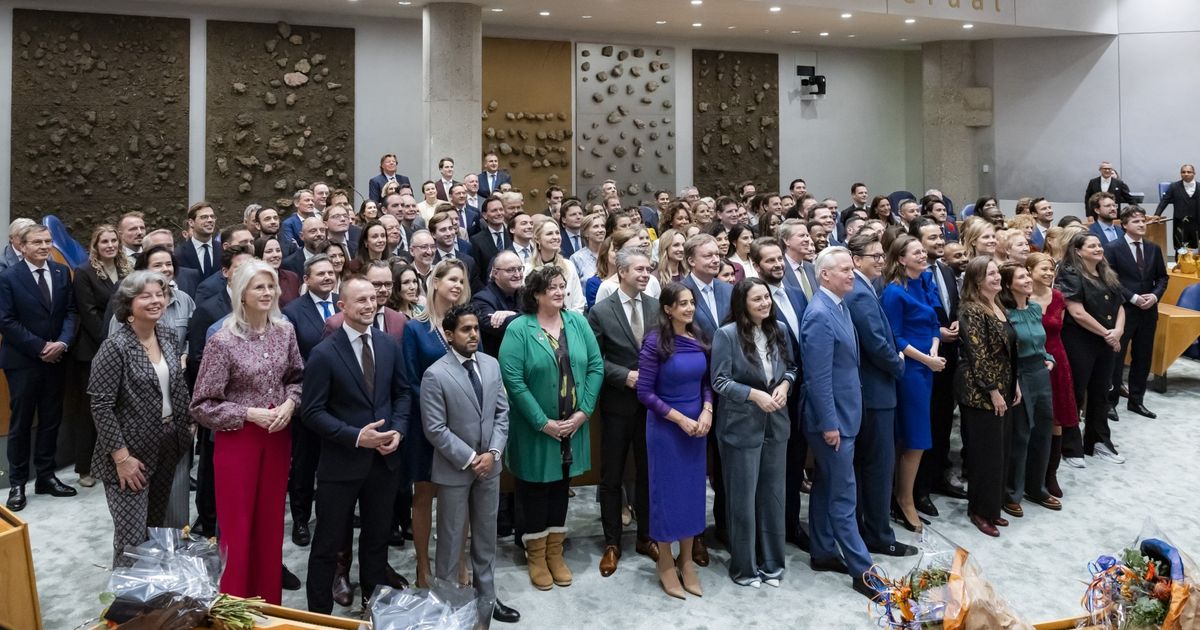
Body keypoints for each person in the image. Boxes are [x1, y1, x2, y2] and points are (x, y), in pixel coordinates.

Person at [190, 260, 304, 603]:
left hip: (278, 437)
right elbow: (202, 405)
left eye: (271, 286)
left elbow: (296, 378)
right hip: (238, 441)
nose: (268, 293)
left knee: (270, 525)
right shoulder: (222, 341)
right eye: (259, 287)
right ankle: (236, 606)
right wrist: (248, 413)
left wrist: (290, 403)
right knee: (238, 529)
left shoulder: (285, 331)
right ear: (241, 293)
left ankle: (269, 605)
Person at [301, 275, 410, 613]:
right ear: (342, 306)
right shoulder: (324, 353)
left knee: (377, 541)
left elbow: (402, 394)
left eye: (372, 298)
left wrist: (398, 431)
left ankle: (372, 606)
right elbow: (312, 412)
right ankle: (320, 616)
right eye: (361, 300)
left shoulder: (388, 344)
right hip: (341, 464)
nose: (369, 305)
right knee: (327, 544)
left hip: (383, 462)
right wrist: (357, 436)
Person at [498, 265, 603, 591]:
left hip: (573, 427)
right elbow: (513, 380)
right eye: (552, 288)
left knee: (561, 488)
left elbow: (596, 366)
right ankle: (535, 555)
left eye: (561, 286)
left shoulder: (577, 322)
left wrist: (584, 412)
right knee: (534, 491)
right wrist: (542, 422)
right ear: (536, 294)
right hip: (535, 429)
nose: (559, 292)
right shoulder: (520, 328)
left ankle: (555, 553)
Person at [420, 304, 521, 624]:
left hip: (490, 467)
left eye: (476, 328)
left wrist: (493, 453)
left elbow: (502, 413)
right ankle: (449, 610)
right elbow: (435, 428)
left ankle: (487, 600)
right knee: (450, 543)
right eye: (466, 329)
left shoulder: (491, 365)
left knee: (486, 539)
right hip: (455, 469)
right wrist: (470, 458)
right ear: (449, 335)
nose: (474, 334)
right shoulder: (435, 374)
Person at [88, 271, 193, 566]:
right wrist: (122, 459)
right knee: (131, 539)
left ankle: (151, 591)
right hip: (129, 454)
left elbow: (177, 385)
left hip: (167, 443)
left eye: (160, 294)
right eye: (146, 296)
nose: (156, 300)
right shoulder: (115, 346)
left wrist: (188, 424)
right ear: (128, 303)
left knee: (154, 527)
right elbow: (101, 406)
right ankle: (127, 594)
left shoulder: (167, 335)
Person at [800, 247, 877, 599]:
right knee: (844, 495)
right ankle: (863, 570)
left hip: (846, 413)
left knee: (827, 484)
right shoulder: (819, 313)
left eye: (851, 268)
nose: (851, 274)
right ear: (824, 275)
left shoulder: (839, 305)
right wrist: (829, 424)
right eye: (844, 269)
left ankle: (822, 550)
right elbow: (817, 378)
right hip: (831, 421)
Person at [710, 278, 796, 589]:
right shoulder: (727, 334)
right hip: (741, 426)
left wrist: (785, 385)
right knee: (743, 501)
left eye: (767, 297)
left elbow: (791, 368)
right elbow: (719, 381)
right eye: (757, 299)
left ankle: (772, 565)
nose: (764, 303)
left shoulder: (779, 329)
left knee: (773, 497)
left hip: (776, 423)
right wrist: (754, 395)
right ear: (742, 304)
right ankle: (744, 568)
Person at [635, 281, 710, 599]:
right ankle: (665, 561)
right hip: (667, 429)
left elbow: (706, 382)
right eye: (682, 304)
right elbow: (644, 392)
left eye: (691, 302)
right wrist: (680, 419)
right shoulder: (655, 341)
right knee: (666, 496)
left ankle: (687, 560)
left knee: (692, 495)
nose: (689, 308)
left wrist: (707, 410)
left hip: (697, 428)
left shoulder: (699, 336)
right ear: (668, 309)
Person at [844, 234, 915, 556]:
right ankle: (878, 534)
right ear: (856, 260)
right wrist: (899, 365)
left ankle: (868, 528)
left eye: (881, 255)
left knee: (870, 466)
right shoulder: (860, 293)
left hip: (873, 391)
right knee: (877, 467)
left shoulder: (866, 288)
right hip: (874, 393)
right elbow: (876, 343)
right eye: (874, 256)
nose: (880, 261)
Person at [588, 249, 658, 577]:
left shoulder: (656, 306)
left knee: (648, 473)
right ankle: (612, 543)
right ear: (622, 273)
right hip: (617, 404)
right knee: (612, 476)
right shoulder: (601, 311)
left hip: (652, 406)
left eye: (648, 269)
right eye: (639, 269)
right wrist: (624, 375)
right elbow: (594, 358)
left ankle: (646, 537)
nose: (645, 274)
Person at [402, 259, 471, 587]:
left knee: (459, 497)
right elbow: (410, 379)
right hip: (427, 426)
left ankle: (458, 561)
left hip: (463, 425)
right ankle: (423, 566)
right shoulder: (416, 328)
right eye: (452, 279)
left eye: (462, 281)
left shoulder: (467, 324)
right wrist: (439, 410)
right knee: (424, 495)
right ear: (435, 282)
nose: (457, 285)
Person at [0, 224, 78, 511]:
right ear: (22, 246)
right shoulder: (8, 277)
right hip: (23, 361)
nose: (45, 246)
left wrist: (62, 343)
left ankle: (46, 476)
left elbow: (71, 311)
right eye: (37, 242)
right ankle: (18, 483)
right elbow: (6, 320)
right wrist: (41, 347)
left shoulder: (61, 272)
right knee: (21, 423)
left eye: (47, 241)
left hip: (57, 359)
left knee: (51, 419)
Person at [880, 235, 944, 532]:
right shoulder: (894, 292)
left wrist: (934, 348)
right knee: (915, 439)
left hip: (928, 364)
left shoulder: (924, 282)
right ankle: (903, 499)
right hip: (910, 370)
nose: (922, 255)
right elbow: (894, 337)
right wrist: (926, 359)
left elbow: (934, 323)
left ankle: (904, 495)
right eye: (916, 252)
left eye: (922, 251)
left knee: (916, 437)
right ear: (901, 259)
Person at [956, 256, 1018, 538]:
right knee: (985, 455)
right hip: (981, 393)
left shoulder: (997, 305)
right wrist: (993, 391)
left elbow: (1008, 351)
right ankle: (979, 511)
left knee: (1000, 452)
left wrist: (1014, 385)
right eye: (990, 274)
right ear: (977, 280)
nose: (997, 277)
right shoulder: (971, 310)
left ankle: (992, 507)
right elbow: (978, 356)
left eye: (997, 272)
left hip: (1004, 387)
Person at [281, 254, 339, 550]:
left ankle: (335, 513)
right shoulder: (292, 312)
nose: (328, 277)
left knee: (336, 462)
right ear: (306, 279)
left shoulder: (343, 303)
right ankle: (301, 519)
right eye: (321, 274)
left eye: (331, 272)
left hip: (342, 398)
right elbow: (291, 358)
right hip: (308, 399)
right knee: (305, 464)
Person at [997, 262, 1061, 517]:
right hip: (1020, 373)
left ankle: (1037, 487)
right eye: (1021, 277)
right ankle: (1012, 491)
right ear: (1008, 284)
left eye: (1027, 275)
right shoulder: (1005, 313)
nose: (1027, 280)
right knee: (1021, 434)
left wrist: (1049, 357)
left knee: (1044, 430)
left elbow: (1040, 341)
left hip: (1040, 373)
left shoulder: (1034, 308)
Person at [71, 225, 132, 488]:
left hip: (123, 346)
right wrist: (111, 344)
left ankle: (115, 462)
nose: (110, 245)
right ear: (95, 246)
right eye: (104, 241)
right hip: (94, 350)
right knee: (92, 411)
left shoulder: (126, 270)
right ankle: (84, 468)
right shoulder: (84, 272)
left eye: (113, 240)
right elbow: (88, 313)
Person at [1057, 233, 1125, 464]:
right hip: (1080, 340)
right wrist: (1108, 334)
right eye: (1092, 246)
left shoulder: (1106, 272)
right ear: (1078, 251)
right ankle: (1070, 446)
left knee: (1101, 391)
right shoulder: (1070, 273)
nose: (1098, 249)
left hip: (1106, 340)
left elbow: (1120, 305)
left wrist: (1118, 331)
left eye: (1099, 245)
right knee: (1076, 392)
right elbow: (1077, 312)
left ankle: (1098, 441)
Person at [1105, 206, 1168, 420]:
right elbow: (1111, 280)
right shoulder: (1112, 248)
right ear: (1124, 225)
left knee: (1143, 357)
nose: (1141, 224)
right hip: (1124, 310)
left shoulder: (1153, 248)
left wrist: (1155, 296)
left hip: (1148, 311)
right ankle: (1110, 401)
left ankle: (1136, 400)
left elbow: (1162, 277)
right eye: (1136, 221)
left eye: (1143, 221)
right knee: (1116, 357)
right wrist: (1132, 297)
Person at [1026, 253, 1079, 491]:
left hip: (1057, 360)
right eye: (1044, 269)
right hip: (1031, 359)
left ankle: (1051, 474)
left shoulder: (1058, 297)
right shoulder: (1022, 297)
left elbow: (1058, 328)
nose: (1049, 273)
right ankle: (1030, 472)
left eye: (1051, 269)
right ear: (1029, 270)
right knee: (1032, 419)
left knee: (1057, 418)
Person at [525, 219, 586, 313]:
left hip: (569, 319)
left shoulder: (569, 266)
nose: (555, 237)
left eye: (557, 233)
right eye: (549, 234)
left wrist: (567, 320)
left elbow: (578, 303)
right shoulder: (527, 269)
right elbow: (527, 305)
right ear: (537, 239)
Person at [472, 251, 523, 358]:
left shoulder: (525, 294)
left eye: (519, 269)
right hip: (497, 360)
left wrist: (512, 314)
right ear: (495, 274)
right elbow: (500, 327)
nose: (517, 275)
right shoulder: (481, 299)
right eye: (510, 270)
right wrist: (522, 315)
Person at [1154, 163, 1199, 250]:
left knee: (1197, 248)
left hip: (1197, 223)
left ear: (1194, 173)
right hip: (1180, 223)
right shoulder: (1173, 187)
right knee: (1180, 249)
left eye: (1189, 172)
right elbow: (1164, 201)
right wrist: (1157, 214)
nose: (1186, 174)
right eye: (1183, 172)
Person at [255, 235, 301, 306]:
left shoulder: (292, 277)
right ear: (258, 256)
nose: (275, 255)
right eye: (269, 251)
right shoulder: (252, 280)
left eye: (278, 250)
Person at [571, 212, 606, 283]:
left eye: (602, 226)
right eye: (596, 226)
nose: (601, 230)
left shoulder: (611, 253)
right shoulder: (577, 258)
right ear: (585, 233)